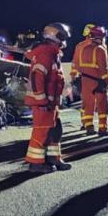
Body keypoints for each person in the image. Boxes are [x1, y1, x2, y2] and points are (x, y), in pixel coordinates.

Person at [24, 22, 72, 174]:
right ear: (54, 36)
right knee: (41, 132)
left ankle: (53, 158)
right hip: (43, 103)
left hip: (51, 102)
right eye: (62, 36)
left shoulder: (52, 52)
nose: (64, 40)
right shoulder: (45, 53)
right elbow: (37, 77)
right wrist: (42, 100)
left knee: (55, 130)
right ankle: (36, 164)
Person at [70, 24, 108, 135]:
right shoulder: (100, 49)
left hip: (84, 80)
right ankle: (102, 128)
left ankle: (88, 125)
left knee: (87, 104)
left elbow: (76, 64)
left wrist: (74, 76)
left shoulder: (82, 47)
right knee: (102, 105)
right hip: (98, 82)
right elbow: (104, 69)